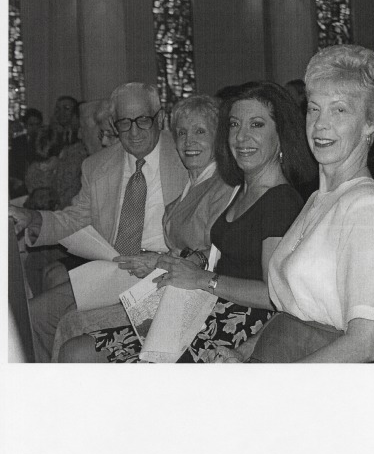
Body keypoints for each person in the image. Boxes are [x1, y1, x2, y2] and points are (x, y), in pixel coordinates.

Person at [62, 82, 315, 363]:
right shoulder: (244, 188)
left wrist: (204, 280)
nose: (241, 137)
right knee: (76, 349)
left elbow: (274, 296)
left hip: (236, 326)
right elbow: (223, 254)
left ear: (280, 135)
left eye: (256, 125)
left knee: (81, 354)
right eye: (234, 125)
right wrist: (167, 262)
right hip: (202, 308)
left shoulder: (280, 201)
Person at [9, 82, 188, 362]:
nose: (134, 131)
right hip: (113, 272)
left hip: (163, 271)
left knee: (73, 325)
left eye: (143, 120)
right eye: (124, 123)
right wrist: (32, 217)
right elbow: (74, 219)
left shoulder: (184, 153)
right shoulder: (97, 165)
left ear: (160, 117)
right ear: (115, 126)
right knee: (37, 315)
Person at [249, 44, 374, 363]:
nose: (320, 124)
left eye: (339, 110)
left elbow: (366, 343)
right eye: (314, 108)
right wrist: (241, 352)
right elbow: (294, 308)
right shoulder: (321, 198)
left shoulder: (366, 207)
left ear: (371, 122)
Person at [57, 94, 236, 362]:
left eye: (200, 131)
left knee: (74, 329)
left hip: (197, 305)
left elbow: (212, 256)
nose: (189, 142)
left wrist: (157, 262)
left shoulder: (221, 186)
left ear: (219, 137)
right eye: (182, 133)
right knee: (70, 320)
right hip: (168, 292)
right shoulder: (193, 184)